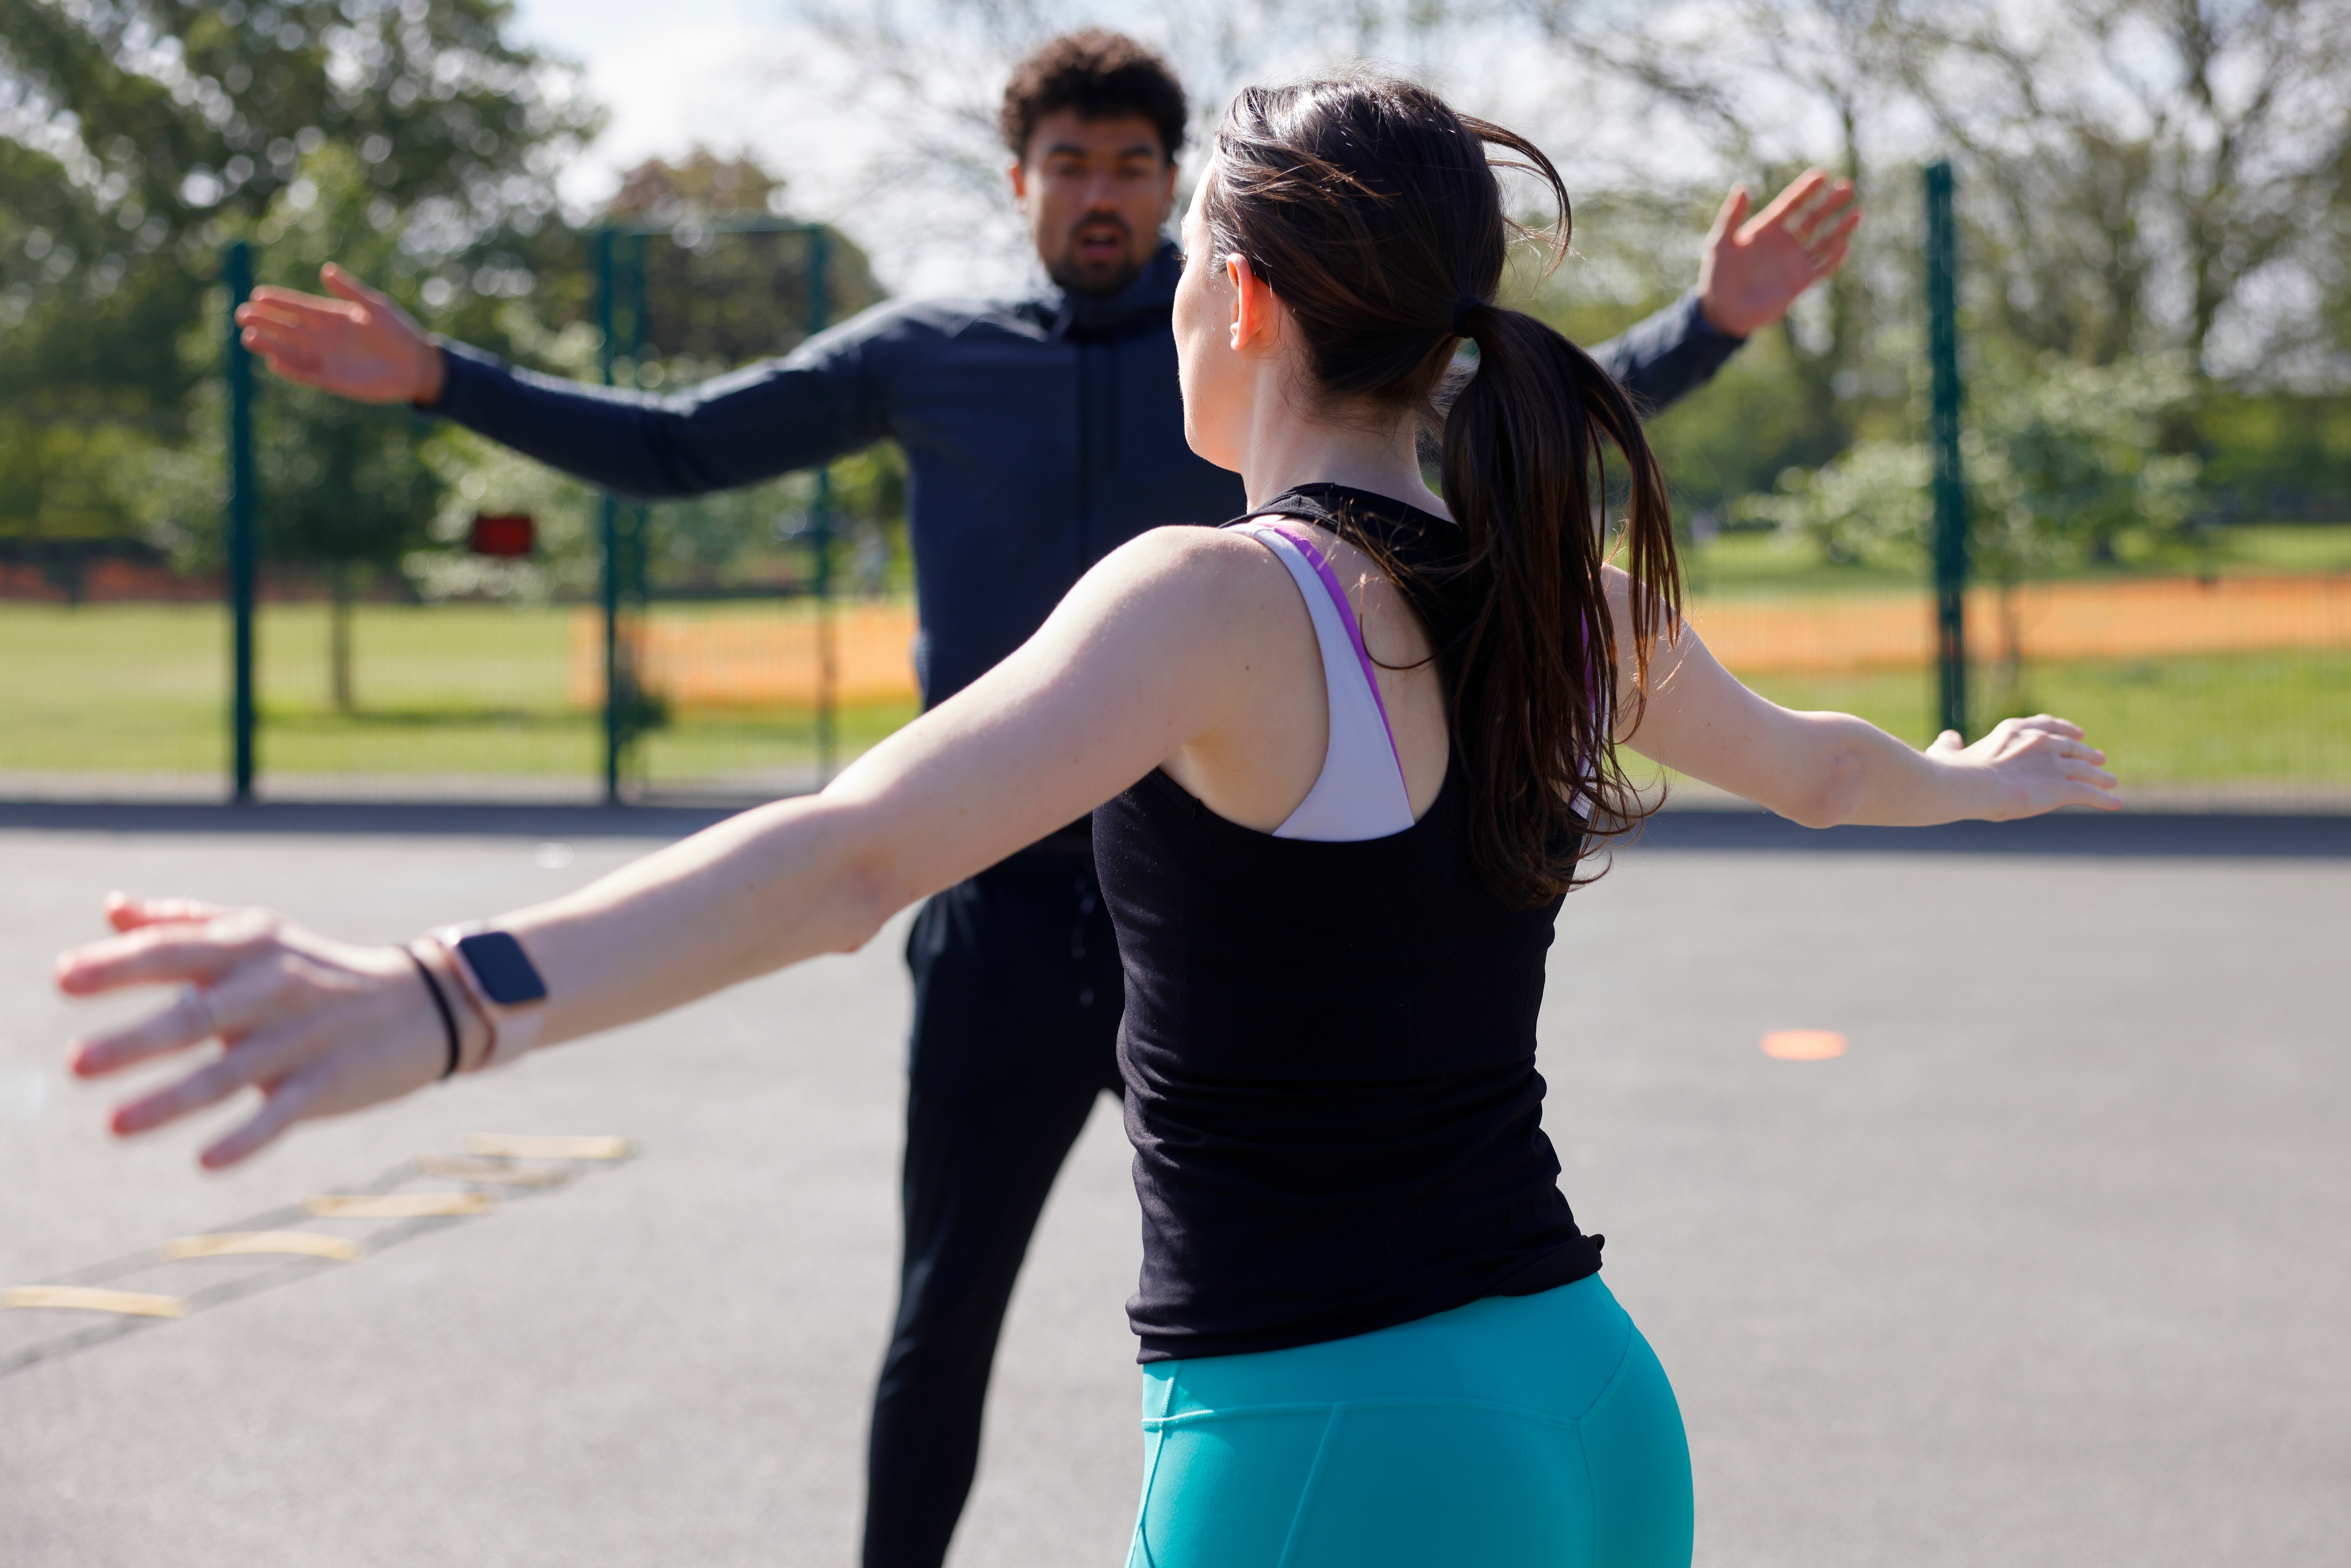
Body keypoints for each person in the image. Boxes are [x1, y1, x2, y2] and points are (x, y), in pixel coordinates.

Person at [63, 67, 2110, 1568]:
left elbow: (853, 856)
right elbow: (1835, 772)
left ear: (1244, 304)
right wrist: (1986, 779)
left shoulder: (1215, 598)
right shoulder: (1552, 597)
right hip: (1590, 1408)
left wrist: (440, 995)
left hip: (1337, 1433)